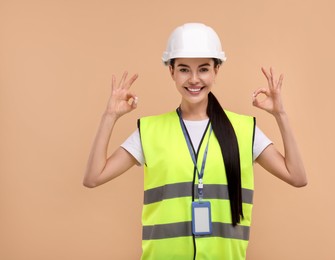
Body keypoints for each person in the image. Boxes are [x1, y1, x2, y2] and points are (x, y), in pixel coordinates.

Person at [83, 22, 307, 260]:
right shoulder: (150, 130)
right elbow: (93, 177)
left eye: (203, 69)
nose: (193, 79)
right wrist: (109, 117)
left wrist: (280, 114)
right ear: (171, 71)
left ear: (216, 70)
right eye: (183, 69)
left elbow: (297, 176)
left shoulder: (243, 130)